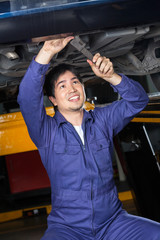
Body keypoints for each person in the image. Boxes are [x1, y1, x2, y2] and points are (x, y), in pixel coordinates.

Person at [18, 36, 160, 240]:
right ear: (53, 100)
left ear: (83, 88)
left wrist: (111, 76)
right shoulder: (45, 131)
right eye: (62, 86)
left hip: (113, 222)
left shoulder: (102, 120)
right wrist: (46, 52)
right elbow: (27, 98)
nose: (72, 89)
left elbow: (138, 100)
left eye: (75, 82)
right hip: (68, 229)